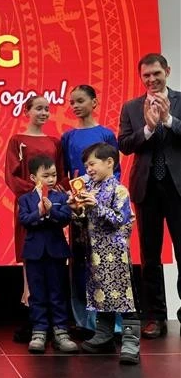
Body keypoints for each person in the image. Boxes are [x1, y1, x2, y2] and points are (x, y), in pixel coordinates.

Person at [118, 53, 181, 339]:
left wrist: (168, 120)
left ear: (167, 71)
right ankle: (154, 317)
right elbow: (125, 144)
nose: (152, 79)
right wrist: (148, 128)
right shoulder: (132, 107)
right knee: (150, 255)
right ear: (140, 77)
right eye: (146, 76)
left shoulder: (179, 101)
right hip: (146, 190)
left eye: (157, 73)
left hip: (178, 188)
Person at [71, 143, 141, 364]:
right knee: (101, 293)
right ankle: (103, 335)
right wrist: (77, 211)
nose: (88, 169)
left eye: (92, 163)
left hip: (116, 254)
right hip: (95, 253)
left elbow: (120, 219)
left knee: (123, 297)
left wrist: (96, 206)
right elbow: (84, 221)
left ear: (109, 162)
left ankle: (131, 342)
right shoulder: (89, 188)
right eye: (86, 165)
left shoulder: (119, 190)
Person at [5, 94, 66, 341]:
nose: (43, 112)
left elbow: (60, 175)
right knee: (30, 259)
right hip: (29, 206)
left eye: (47, 109)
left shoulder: (54, 141)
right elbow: (12, 176)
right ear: (27, 111)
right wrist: (34, 195)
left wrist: (53, 195)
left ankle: (56, 322)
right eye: (38, 108)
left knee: (51, 255)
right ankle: (33, 319)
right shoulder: (17, 140)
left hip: (52, 206)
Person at [61, 85, 120, 336]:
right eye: (72, 102)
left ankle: (111, 321)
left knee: (105, 261)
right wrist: (75, 197)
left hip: (103, 206)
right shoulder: (68, 137)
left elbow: (115, 171)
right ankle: (84, 321)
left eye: (80, 101)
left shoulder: (106, 134)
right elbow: (65, 173)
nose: (75, 105)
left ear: (94, 102)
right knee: (81, 261)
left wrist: (100, 196)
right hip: (79, 207)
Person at [18, 155, 78, 354]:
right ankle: (39, 330)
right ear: (34, 177)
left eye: (54, 175)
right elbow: (24, 220)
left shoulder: (60, 198)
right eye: (46, 176)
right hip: (34, 253)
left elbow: (66, 218)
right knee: (37, 294)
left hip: (56, 252)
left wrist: (51, 212)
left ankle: (61, 330)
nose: (52, 179)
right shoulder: (25, 199)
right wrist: (39, 213)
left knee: (57, 292)